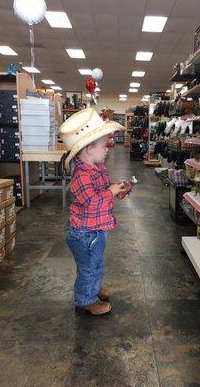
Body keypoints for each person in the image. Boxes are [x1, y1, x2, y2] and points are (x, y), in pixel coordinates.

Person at [59, 108, 126, 316]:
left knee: (95, 264)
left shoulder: (98, 168)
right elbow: (91, 201)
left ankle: (93, 289)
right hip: (83, 234)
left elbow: (103, 192)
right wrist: (110, 192)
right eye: (104, 146)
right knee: (89, 267)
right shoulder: (81, 176)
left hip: (95, 230)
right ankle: (85, 299)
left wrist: (118, 190)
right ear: (89, 149)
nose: (108, 150)